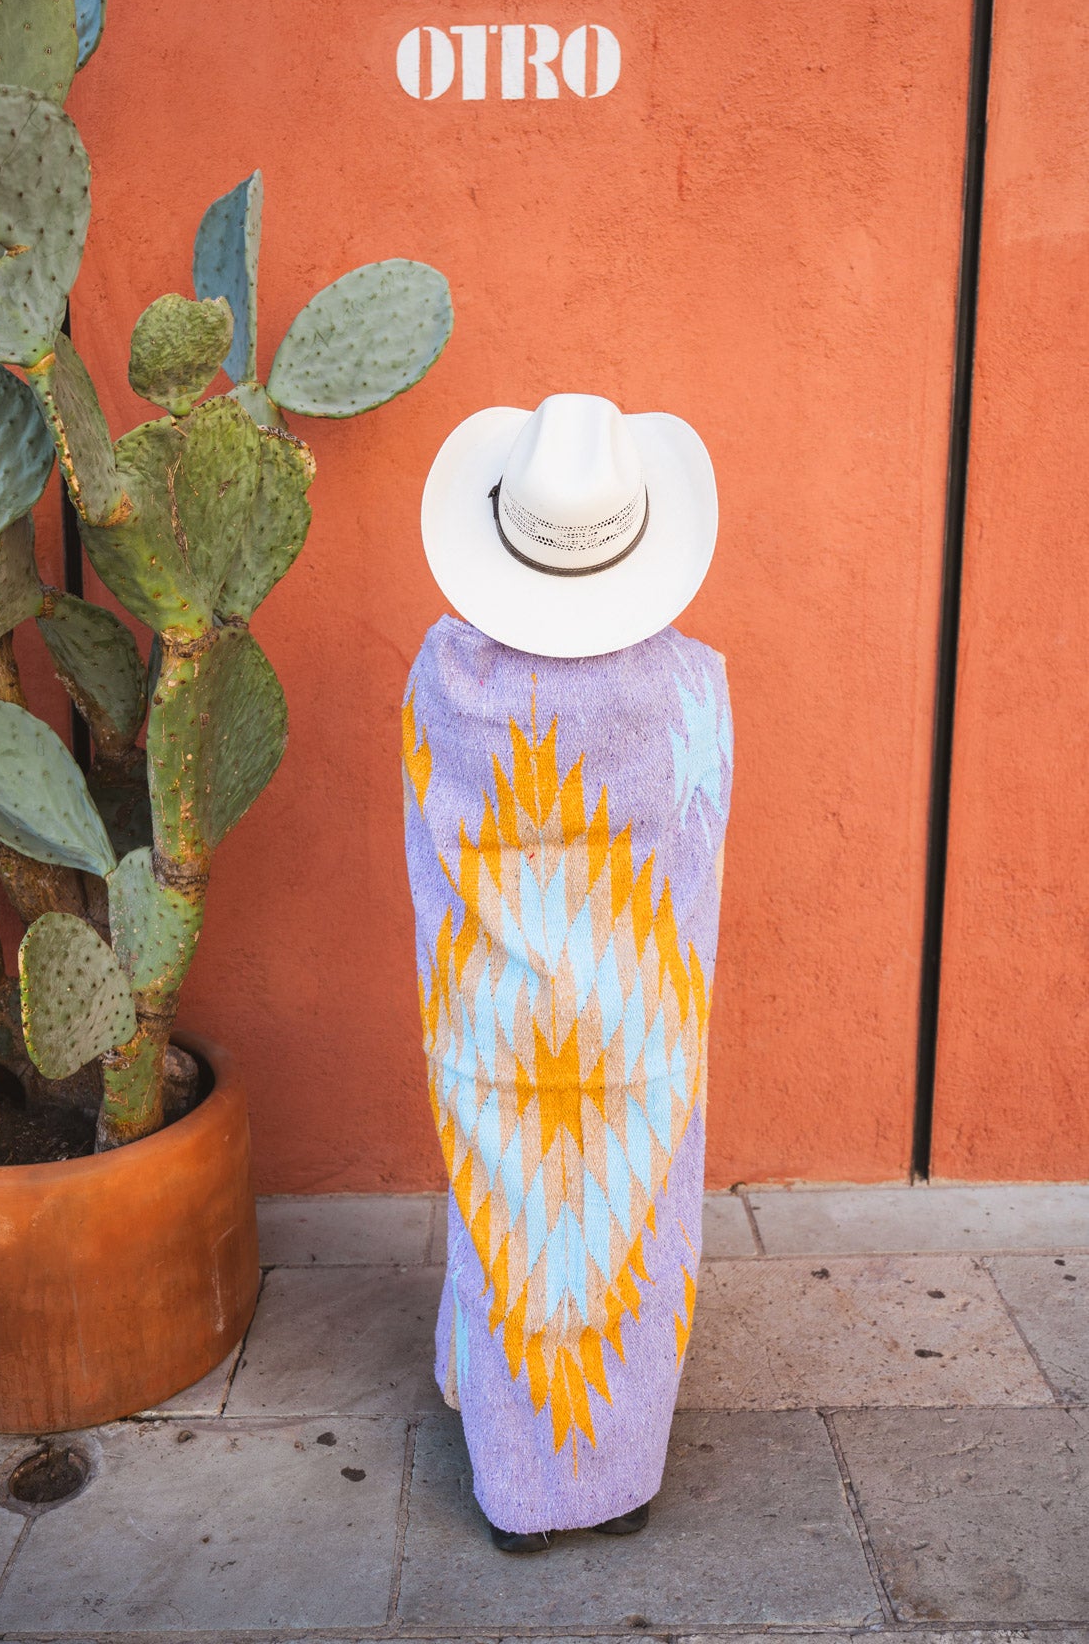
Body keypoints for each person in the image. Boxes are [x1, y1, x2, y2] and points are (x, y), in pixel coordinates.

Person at [401, 392, 732, 1549]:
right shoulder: (691, 689)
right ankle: (617, 1470)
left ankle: (520, 1489)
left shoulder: (443, 682)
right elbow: (688, 872)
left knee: (510, 1213)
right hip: (639, 1034)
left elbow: (433, 870)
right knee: (624, 1216)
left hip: (491, 1034)